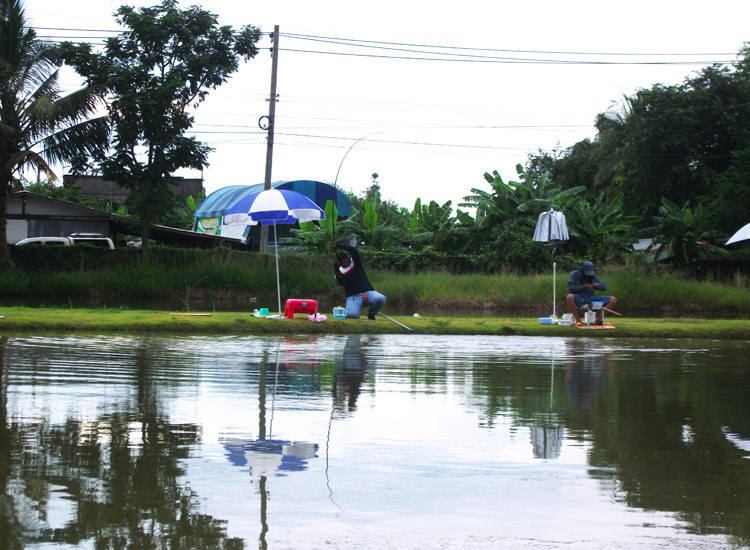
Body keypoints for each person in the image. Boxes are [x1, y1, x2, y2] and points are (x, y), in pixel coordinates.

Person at [333, 242, 386, 320]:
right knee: (353, 316)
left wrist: (340, 245)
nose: (345, 261)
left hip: (367, 294)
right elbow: (342, 283)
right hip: (353, 297)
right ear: (339, 262)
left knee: (381, 298)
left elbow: (353, 250)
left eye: (346, 259)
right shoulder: (340, 271)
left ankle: (371, 314)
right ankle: (346, 310)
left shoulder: (355, 262)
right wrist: (337, 271)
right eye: (342, 260)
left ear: (348, 257)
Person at [566, 261, 617, 326]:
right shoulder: (574, 274)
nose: (588, 275)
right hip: (579, 298)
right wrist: (583, 286)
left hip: (591, 298)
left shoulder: (594, 276)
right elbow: (570, 288)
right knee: (569, 297)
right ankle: (578, 321)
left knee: (613, 300)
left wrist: (598, 286)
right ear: (582, 270)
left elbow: (604, 287)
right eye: (587, 273)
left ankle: (598, 321)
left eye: (590, 273)